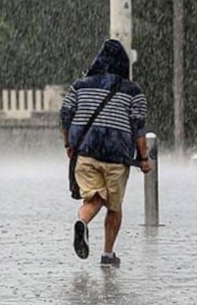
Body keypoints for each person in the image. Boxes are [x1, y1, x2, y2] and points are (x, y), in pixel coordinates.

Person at [60, 39, 152, 268]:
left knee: (94, 197)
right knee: (114, 206)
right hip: (116, 157)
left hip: (86, 152)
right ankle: (108, 255)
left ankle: (82, 221)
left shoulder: (80, 85)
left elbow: (65, 114)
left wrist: (68, 144)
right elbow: (138, 128)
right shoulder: (133, 91)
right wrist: (144, 159)